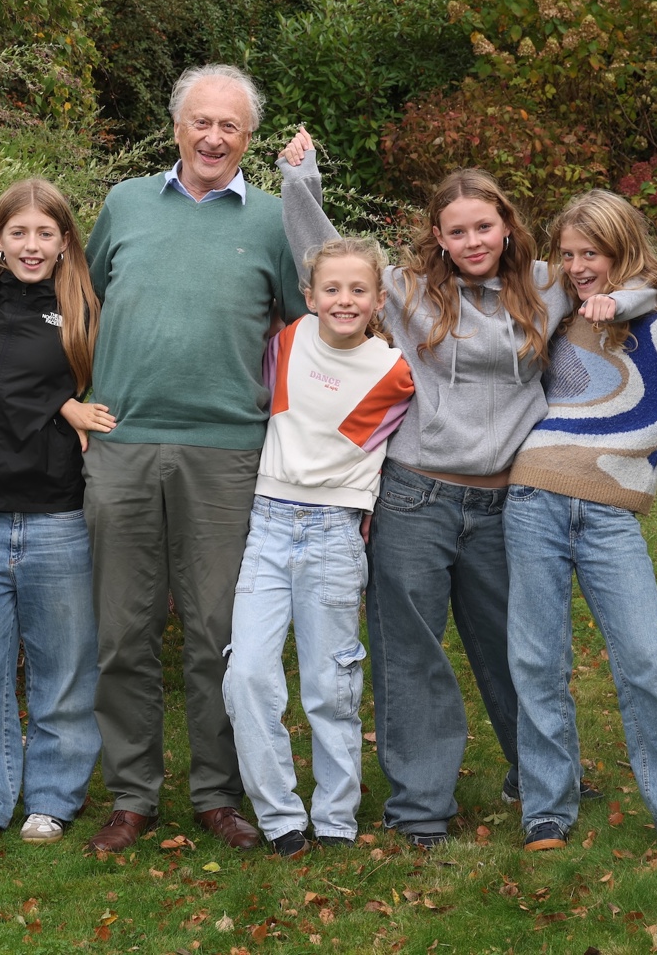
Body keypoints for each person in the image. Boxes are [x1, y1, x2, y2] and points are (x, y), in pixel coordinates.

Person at [279, 131, 657, 848]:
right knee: (412, 654)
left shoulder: (546, 285)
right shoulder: (408, 292)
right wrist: (301, 179)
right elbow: (323, 256)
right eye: (458, 231)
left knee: (521, 649)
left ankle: (540, 773)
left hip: (507, 503)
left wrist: (622, 300)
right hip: (415, 499)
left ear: (506, 224)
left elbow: (623, 279)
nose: (474, 239)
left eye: (484, 225)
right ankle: (421, 808)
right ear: (439, 237)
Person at [83, 64, 308, 853]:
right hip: (123, 444)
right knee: (122, 633)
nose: (215, 137)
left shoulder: (277, 221)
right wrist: (70, 400)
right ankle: (132, 796)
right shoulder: (125, 204)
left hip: (229, 454)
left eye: (232, 127)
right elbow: (82, 303)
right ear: (176, 126)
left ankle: (217, 793)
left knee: (220, 635)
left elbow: (310, 326)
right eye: (201, 122)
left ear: (248, 139)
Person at [505, 190, 657, 853]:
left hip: (609, 518)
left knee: (645, 659)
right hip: (532, 501)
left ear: (621, 251)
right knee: (538, 660)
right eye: (567, 253)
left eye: (590, 253)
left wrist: (627, 300)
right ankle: (547, 805)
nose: (575, 266)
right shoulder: (551, 316)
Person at [222, 229, 414, 859]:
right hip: (270, 524)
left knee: (331, 688)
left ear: (379, 298)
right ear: (308, 295)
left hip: (335, 533)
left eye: (359, 289)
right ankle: (281, 817)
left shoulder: (394, 372)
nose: (344, 299)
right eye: (331, 288)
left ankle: (335, 817)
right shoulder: (286, 341)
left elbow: (352, 442)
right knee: (247, 674)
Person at [0, 178, 109, 846]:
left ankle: (53, 800)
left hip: (59, 516)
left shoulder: (87, 311)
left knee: (62, 669)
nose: (31, 245)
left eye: (45, 233)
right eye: (19, 233)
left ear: (65, 242)